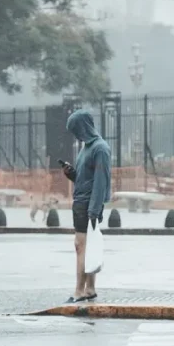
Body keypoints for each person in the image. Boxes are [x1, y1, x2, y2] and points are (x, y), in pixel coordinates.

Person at [62, 109, 112, 303]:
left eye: (76, 129)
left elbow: (101, 182)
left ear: (84, 126)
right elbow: (86, 179)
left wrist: (94, 210)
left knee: (80, 246)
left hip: (88, 205)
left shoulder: (100, 148)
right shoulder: (87, 148)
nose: (75, 134)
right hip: (83, 202)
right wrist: (72, 175)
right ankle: (89, 288)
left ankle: (79, 291)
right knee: (87, 247)